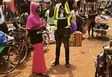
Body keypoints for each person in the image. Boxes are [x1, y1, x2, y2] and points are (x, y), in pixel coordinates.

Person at [26, 2, 49, 77]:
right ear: (33, 8)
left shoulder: (37, 16)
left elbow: (39, 25)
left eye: (39, 8)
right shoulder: (30, 17)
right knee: (39, 54)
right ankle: (42, 71)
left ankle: (36, 69)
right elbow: (28, 28)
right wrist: (38, 27)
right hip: (35, 37)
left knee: (38, 54)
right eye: (37, 8)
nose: (39, 9)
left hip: (39, 36)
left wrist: (43, 26)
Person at [49, 0, 71, 68]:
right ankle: (57, 61)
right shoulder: (57, 5)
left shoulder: (68, 4)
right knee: (57, 46)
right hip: (58, 29)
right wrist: (52, 4)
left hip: (66, 29)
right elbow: (50, 15)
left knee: (66, 46)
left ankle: (67, 61)